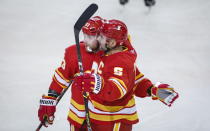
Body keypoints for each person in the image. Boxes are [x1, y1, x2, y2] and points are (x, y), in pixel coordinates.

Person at [38, 16, 178, 130]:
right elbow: (62, 77)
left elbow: (132, 81)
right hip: (80, 119)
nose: (85, 41)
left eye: (91, 37)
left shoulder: (117, 58)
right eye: (84, 35)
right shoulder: (76, 52)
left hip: (113, 121)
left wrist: (151, 89)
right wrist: (49, 100)